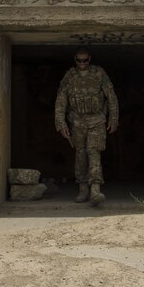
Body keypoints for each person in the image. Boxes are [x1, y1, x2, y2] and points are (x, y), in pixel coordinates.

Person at [55, 47, 119, 205]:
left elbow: (111, 97)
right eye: (79, 60)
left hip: (96, 120)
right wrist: (60, 123)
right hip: (77, 121)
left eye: (85, 60)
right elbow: (61, 101)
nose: (82, 63)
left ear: (89, 59)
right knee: (80, 155)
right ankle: (82, 189)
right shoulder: (69, 76)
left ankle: (95, 190)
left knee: (94, 152)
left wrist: (114, 119)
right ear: (75, 60)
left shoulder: (99, 74)